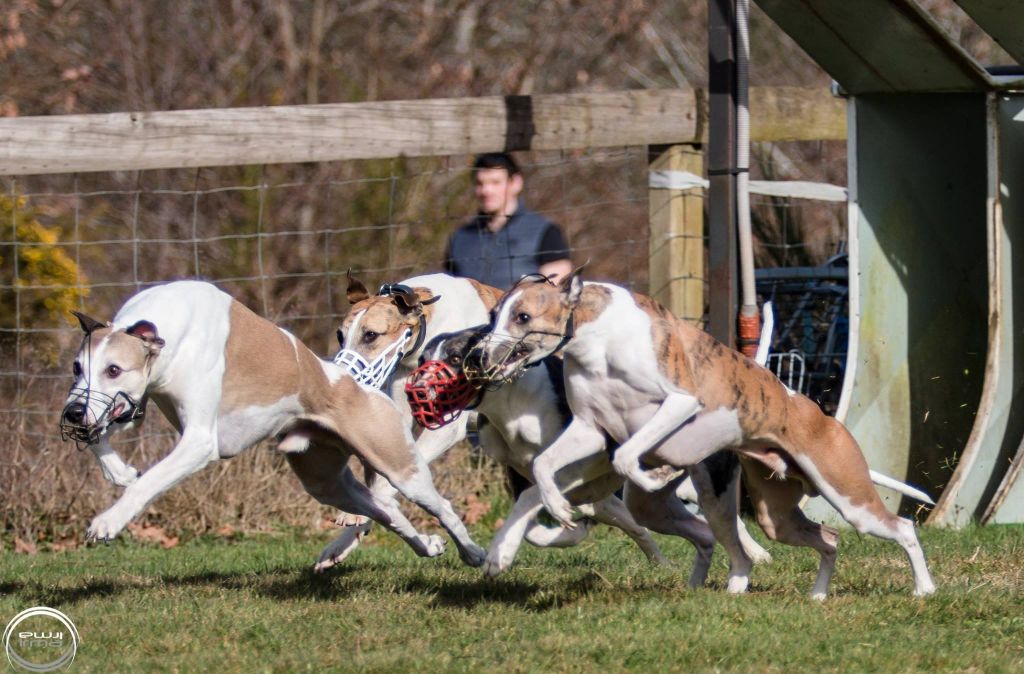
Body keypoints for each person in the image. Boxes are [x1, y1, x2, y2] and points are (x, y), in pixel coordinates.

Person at [444, 153, 572, 289]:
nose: (486, 190)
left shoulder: (546, 232)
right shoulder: (459, 239)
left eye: (495, 182)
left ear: (515, 183)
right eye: (480, 183)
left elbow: (555, 297)